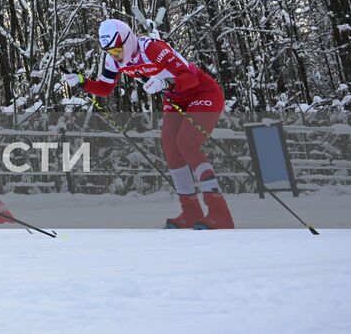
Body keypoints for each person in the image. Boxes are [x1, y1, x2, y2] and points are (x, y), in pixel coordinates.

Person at [62, 18, 234, 230]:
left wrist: (165, 82)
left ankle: (220, 213)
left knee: (187, 143)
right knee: (171, 148)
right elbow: (105, 87)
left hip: (202, 92)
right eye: (110, 52)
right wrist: (81, 81)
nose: (115, 56)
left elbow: (190, 77)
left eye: (117, 50)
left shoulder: (152, 48)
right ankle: (190, 211)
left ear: (127, 41)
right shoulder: (114, 61)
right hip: (174, 99)